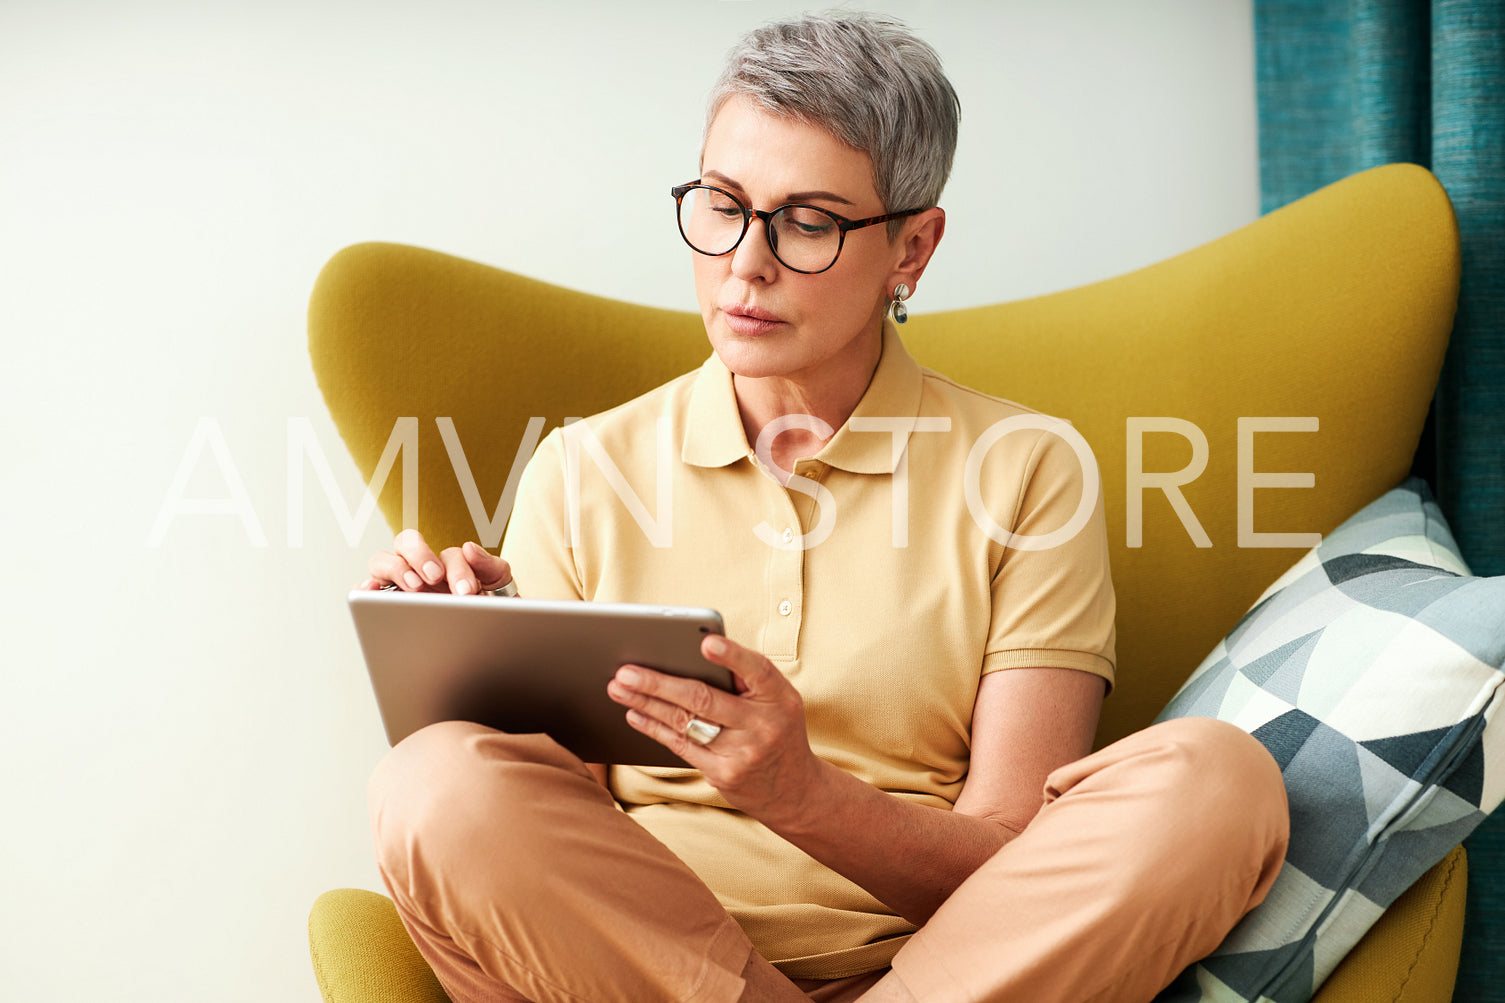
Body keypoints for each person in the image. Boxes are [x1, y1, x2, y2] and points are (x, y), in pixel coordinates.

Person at [359, 12, 1289, 1002]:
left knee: (1215, 781)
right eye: (721, 204)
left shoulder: (1025, 472)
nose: (744, 264)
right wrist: (462, 667)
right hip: (645, 975)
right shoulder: (582, 470)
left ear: (911, 249)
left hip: (950, 977)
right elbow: (552, 847)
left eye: (807, 222)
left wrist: (796, 794)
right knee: (432, 778)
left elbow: (1013, 868)